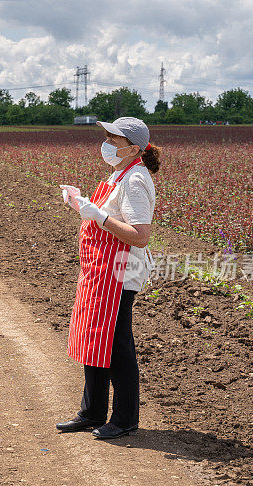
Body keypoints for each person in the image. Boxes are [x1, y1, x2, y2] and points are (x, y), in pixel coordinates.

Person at [56, 117, 160, 440]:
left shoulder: (135, 181)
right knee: (95, 341)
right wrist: (82, 206)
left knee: (117, 347)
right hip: (100, 273)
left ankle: (125, 418)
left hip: (119, 274)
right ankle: (92, 411)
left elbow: (140, 236)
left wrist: (97, 215)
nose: (107, 144)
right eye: (108, 137)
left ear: (132, 148)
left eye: (113, 139)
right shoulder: (119, 175)